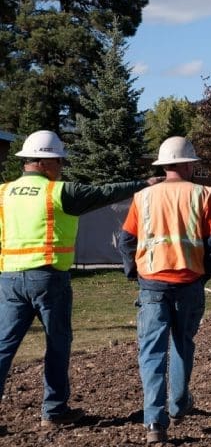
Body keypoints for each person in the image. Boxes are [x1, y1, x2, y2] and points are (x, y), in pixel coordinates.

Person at [0, 130, 161, 431]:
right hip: (48, 279)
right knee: (58, 344)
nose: (61, 167)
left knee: (3, 347)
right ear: (46, 162)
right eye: (59, 161)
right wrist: (144, 183)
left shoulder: (3, 192)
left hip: (8, 279)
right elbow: (105, 192)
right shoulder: (60, 192)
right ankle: (54, 410)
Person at [116, 136, 211, 445]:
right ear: (186, 164)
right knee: (182, 344)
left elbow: (126, 240)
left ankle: (154, 423)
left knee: (151, 353)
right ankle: (178, 405)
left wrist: (134, 272)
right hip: (189, 283)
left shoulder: (144, 197)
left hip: (151, 284)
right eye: (193, 163)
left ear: (164, 165)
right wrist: (205, 275)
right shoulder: (203, 195)